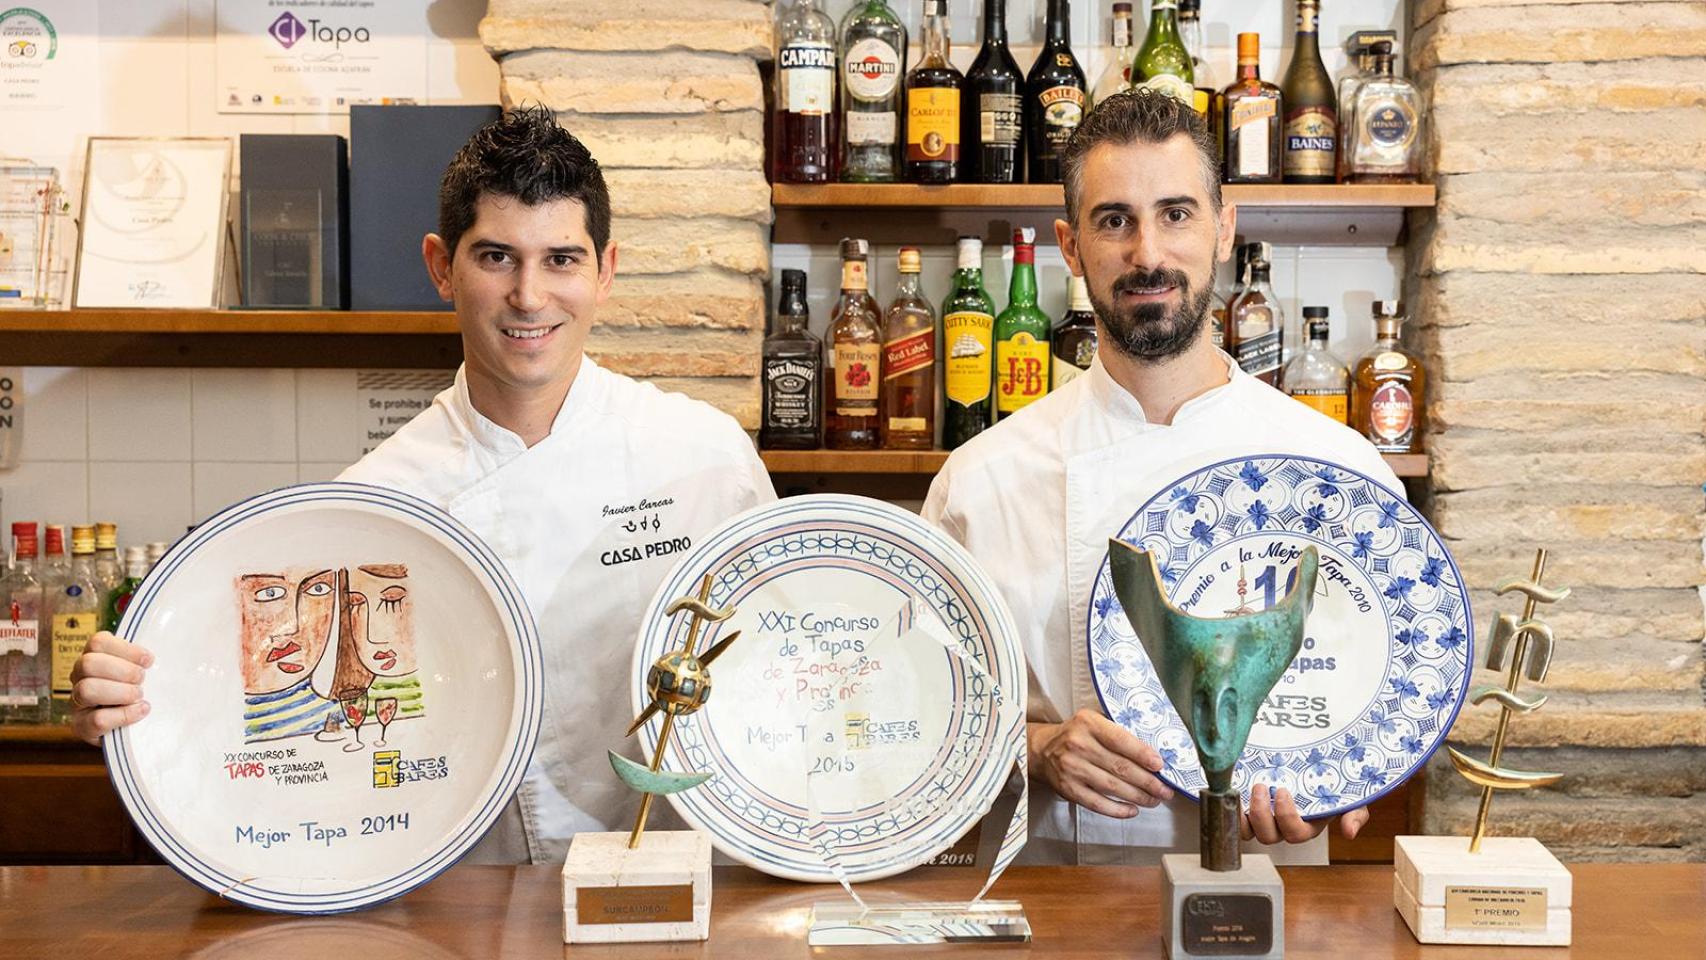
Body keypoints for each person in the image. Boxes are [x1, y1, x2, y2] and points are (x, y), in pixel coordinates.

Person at [67, 106, 776, 864]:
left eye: (562, 259)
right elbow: (295, 712)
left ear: (606, 271)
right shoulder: (376, 501)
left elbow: (781, 677)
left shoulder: (703, 458)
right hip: (473, 901)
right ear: (442, 266)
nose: (530, 296)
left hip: (686, 885)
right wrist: (138, 699)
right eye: (497, 257)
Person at [922, 90, 1396, 865]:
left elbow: (1378, 690)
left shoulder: (1340, 472)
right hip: (1054, 908)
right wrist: (1037, 749)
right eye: (1115, 221)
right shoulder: (981, 482)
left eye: (1176, 213)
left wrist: (1342, 786)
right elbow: (919, 709)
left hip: (1268, 896)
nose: (1148, 253)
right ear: (1071, 249)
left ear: (1224, 229)